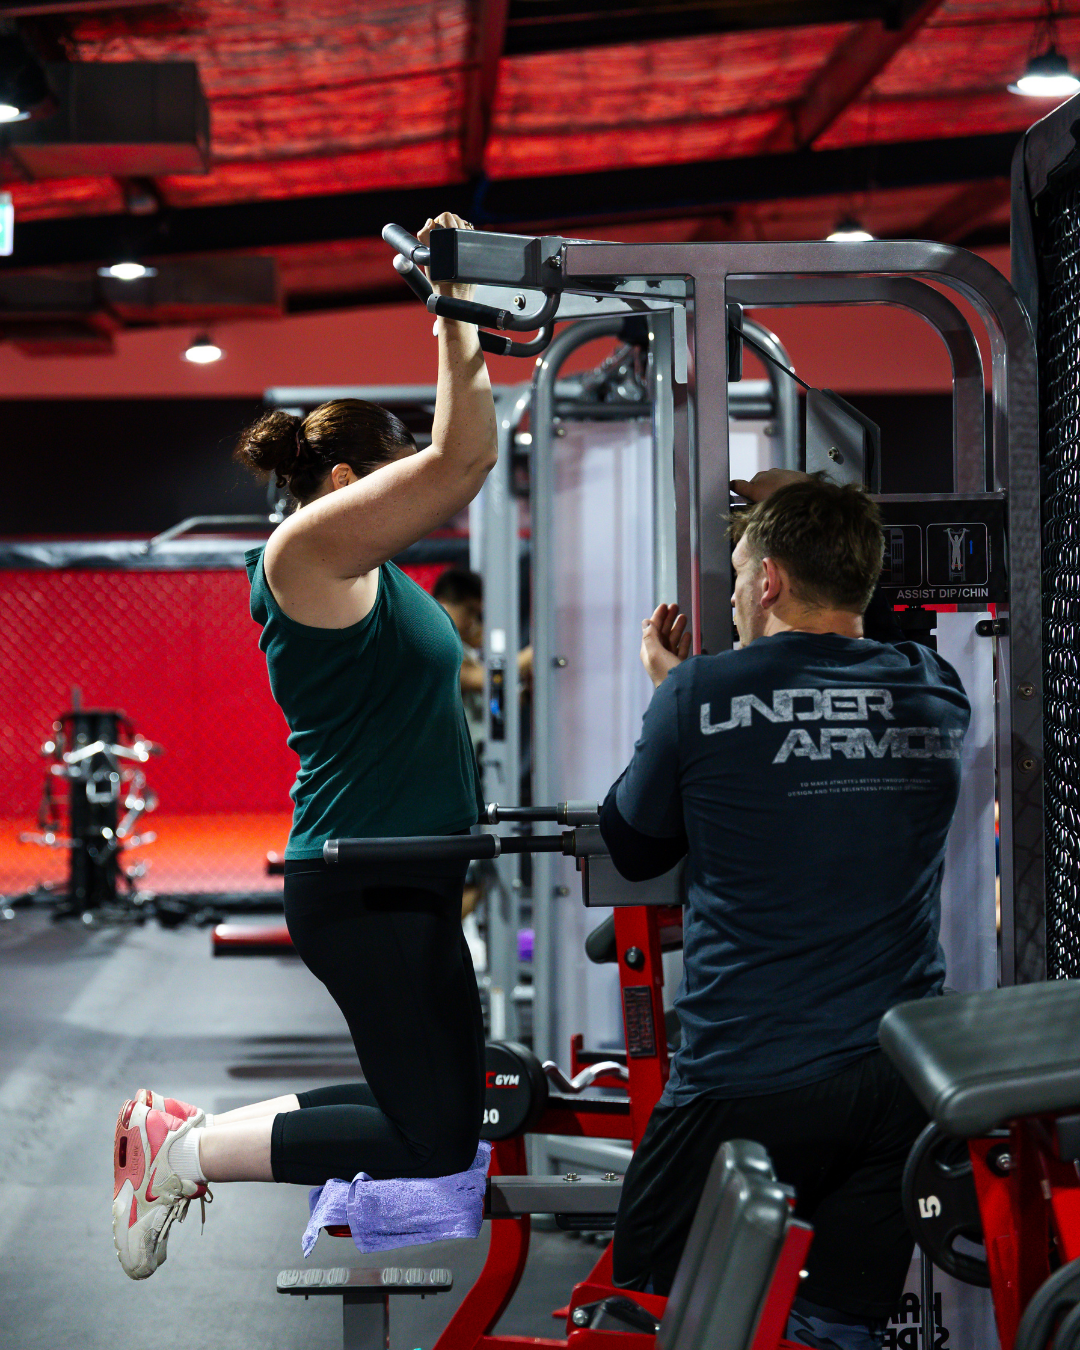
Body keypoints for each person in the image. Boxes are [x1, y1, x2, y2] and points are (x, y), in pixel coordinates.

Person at [112, 211, 498, 1282]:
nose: (404, 499)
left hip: (401, 879)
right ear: (345, 488)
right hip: (361, 880)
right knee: (432, 1139)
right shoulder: (306, 554)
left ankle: (181, 1132)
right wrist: (454, 307)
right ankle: (180, 1151)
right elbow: (464, 456)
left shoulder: (365, 578)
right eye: (390, 480)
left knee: (431, 1113)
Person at [601, 470, 970, 1350]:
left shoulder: (697, 694)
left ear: (767, 580)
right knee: (839, 1328)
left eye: (737, 574)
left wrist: (667, 691)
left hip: (750, 1078)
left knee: (640, 1307)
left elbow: (634, 845)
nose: (731, 595)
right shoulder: (937, 689)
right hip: (903, 1082)